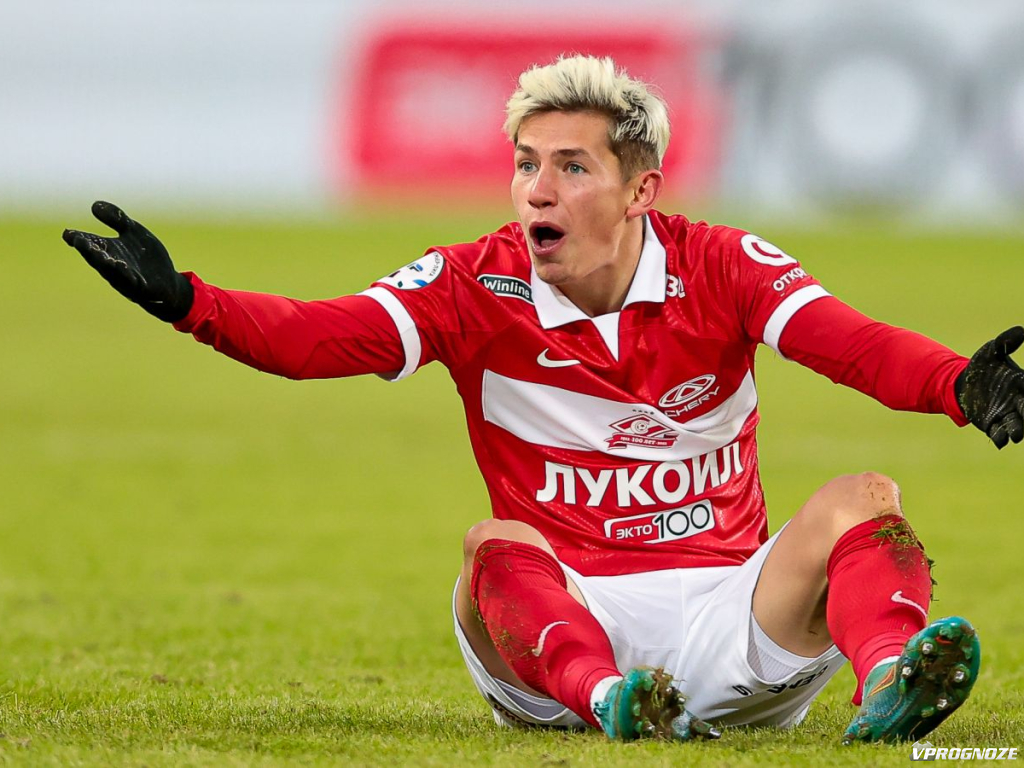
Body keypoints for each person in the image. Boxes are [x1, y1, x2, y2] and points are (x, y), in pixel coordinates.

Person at [62, 55, 1023, 745]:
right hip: (567, 627)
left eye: (571, 166)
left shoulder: (721, 265)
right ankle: (611, 701)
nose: (536, 190)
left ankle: (893, 682)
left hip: (738, 614)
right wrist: (188, 301)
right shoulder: (467, 284)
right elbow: (317, 337)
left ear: (641, 191)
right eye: (526, 163)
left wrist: (959, 385)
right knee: (492, 544)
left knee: (865, 498)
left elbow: (850, 343)